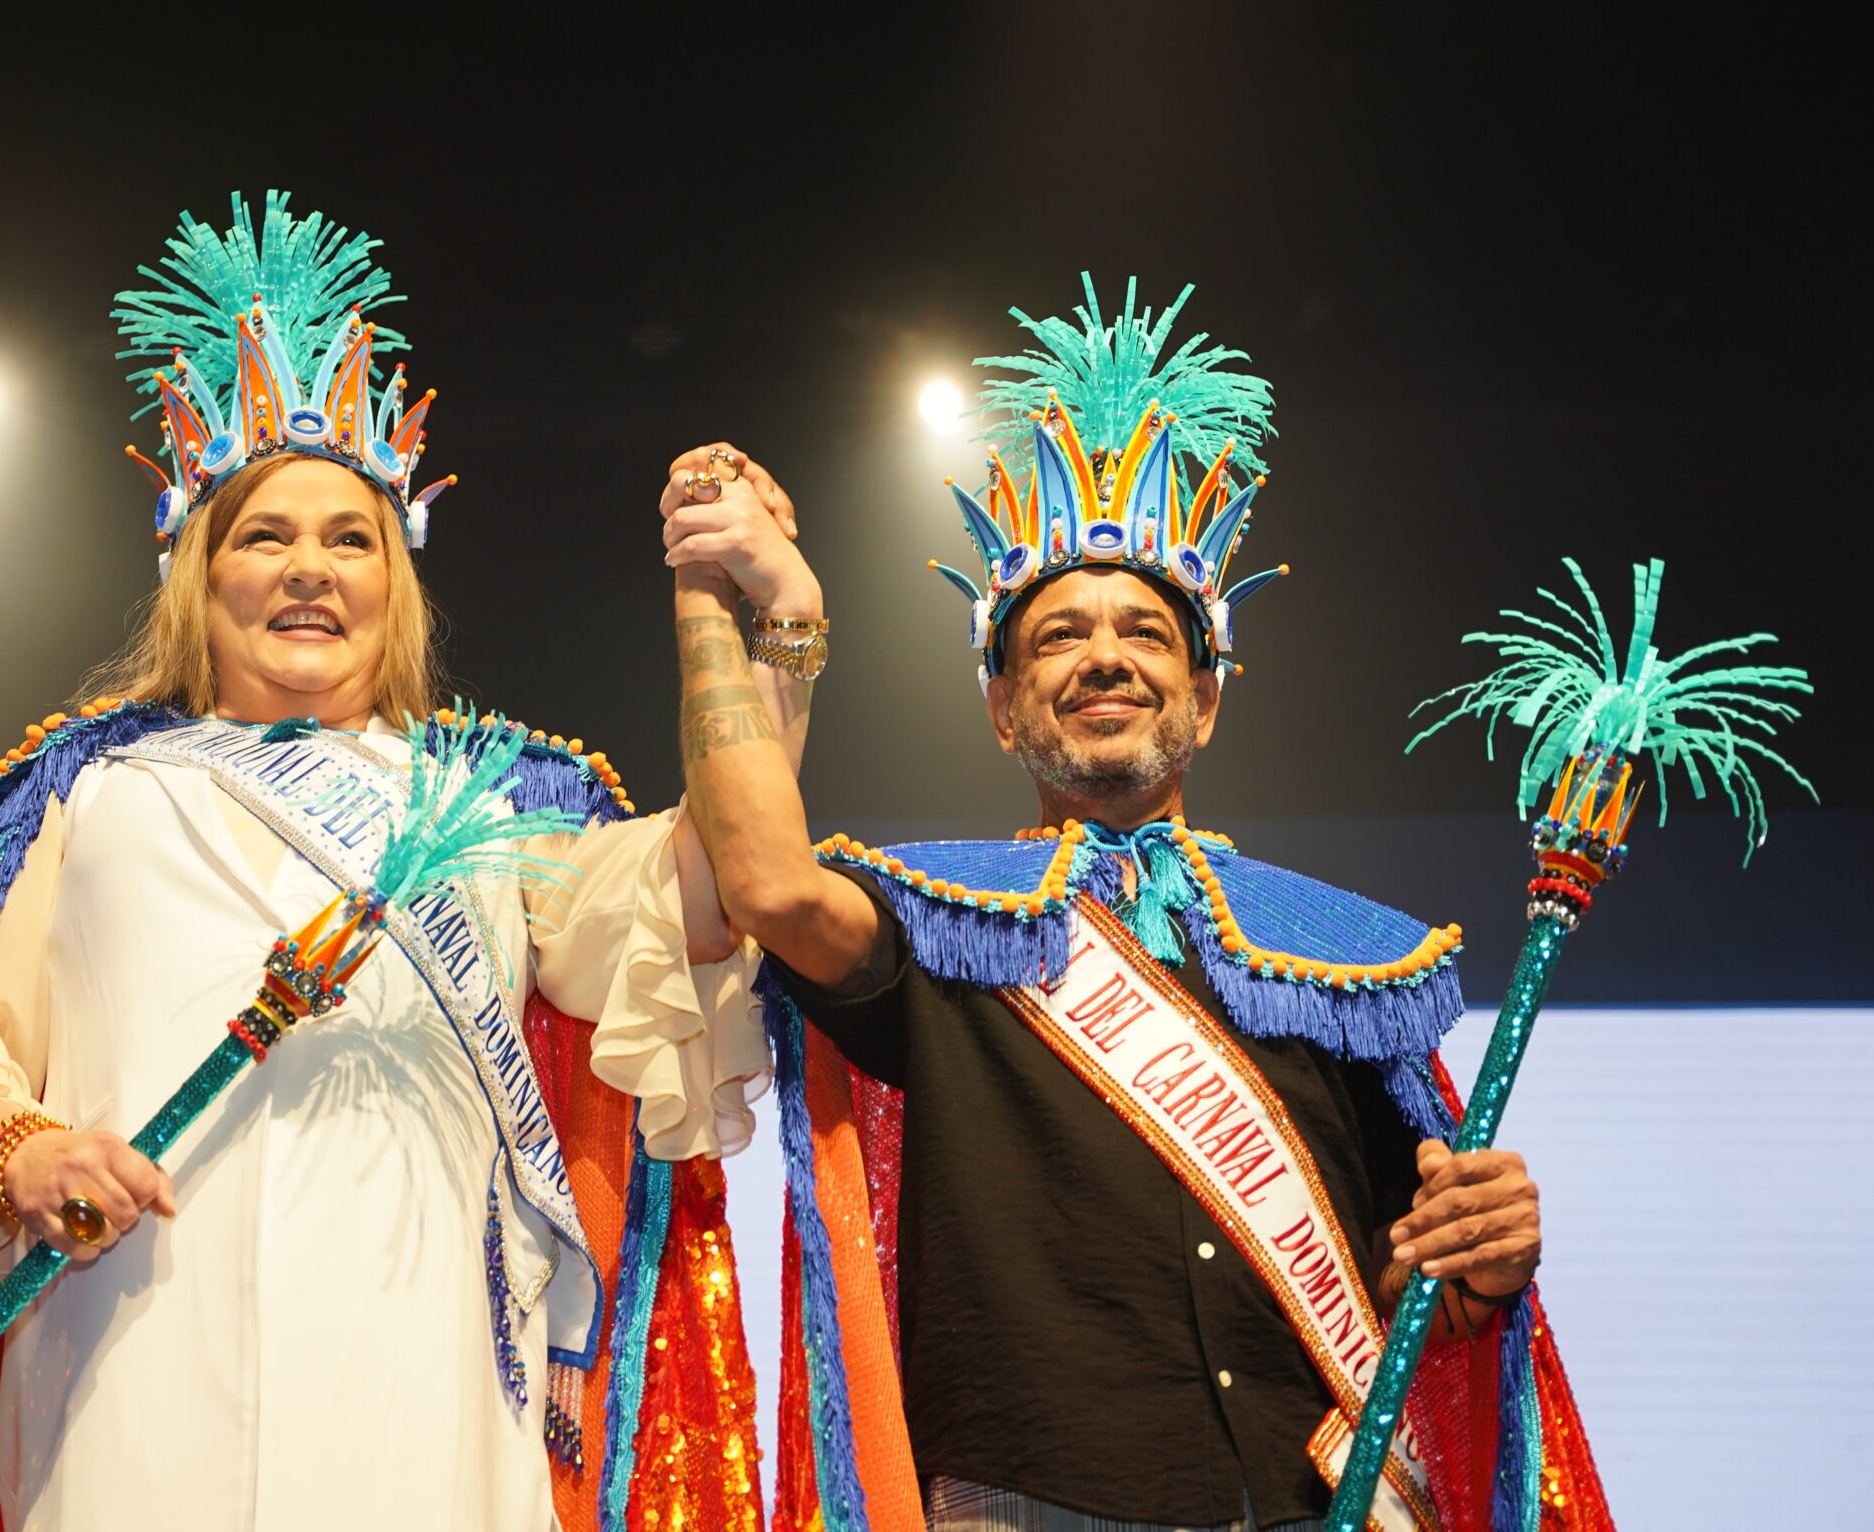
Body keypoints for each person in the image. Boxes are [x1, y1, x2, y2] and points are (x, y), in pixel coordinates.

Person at [0, 195, 801, 1532]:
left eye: (350, 537)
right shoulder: (92, 790)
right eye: (265, 535)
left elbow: (721, 888)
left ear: (395, 581)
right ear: (200, 573)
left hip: (425, 1379)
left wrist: (764, 623)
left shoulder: (491, 802)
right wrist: (26, 1152)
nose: (310, 567)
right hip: (131, 1363)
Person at [661, 278, 1614, 1532]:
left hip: (1308, 1496)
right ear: (1002, 710)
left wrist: (1476, 1259)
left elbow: (1406, 1275)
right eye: (1056, 635)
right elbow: (766, 883)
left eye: (1146, 633)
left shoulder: (1340, 959)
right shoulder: (939, 922)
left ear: (1205, 701)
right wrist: (738, 605)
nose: (1104, 653)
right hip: (1029, 1498)